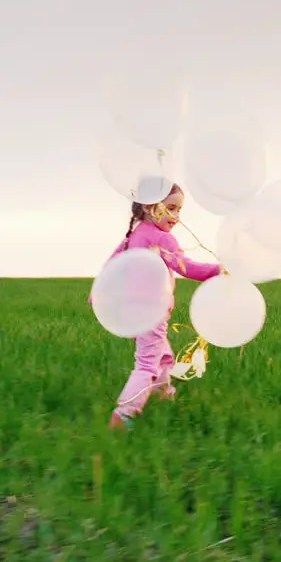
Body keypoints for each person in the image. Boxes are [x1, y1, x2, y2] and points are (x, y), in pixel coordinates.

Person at [98, 183, 221, 430]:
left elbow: (113, 264)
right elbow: (186, 267)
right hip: (151, 312)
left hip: (133, 311)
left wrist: (100, 295)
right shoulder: (161, 238)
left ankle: (164, 395)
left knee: (163, 357)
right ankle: (125, 413)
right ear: (148, 205)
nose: (176, 216)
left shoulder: (135, 233)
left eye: (179, 210)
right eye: (171, 208)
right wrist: (219, 270)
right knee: (146, 363)